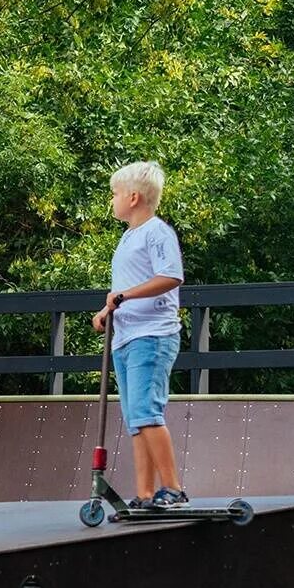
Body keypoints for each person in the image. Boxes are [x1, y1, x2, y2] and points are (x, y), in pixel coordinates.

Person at [92, 161, 189, 510]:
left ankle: (174, 489)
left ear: (133, 197)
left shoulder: (156, 232)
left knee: (147, 412)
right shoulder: (128, 237)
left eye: (115, 194)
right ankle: (146, 494)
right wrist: (108, 310)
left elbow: (170, 276)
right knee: (135, 419)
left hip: (152, 335)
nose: (112, 200)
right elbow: (123, 288)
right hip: (126, 338)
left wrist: (125, 296)